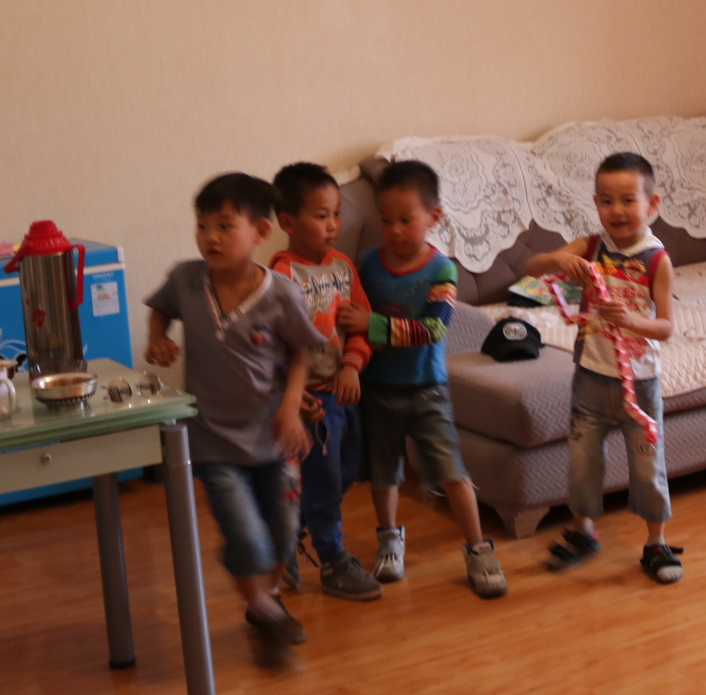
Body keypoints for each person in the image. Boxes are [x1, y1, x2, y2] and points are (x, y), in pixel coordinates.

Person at [144, 172, 326, 653]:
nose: (211, 237)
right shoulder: (186, 280)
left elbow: (302, 352)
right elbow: (161, 308)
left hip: (274, 439)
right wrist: (157, 337)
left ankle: (265, 599)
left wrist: (291, 408)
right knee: (245, 534)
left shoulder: (281, 293)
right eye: (203, 225)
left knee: (283, 535)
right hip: (212, 441)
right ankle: (264, 607)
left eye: (225, 225)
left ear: (260, 231)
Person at [335, 159, 508, 599]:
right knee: (384, 474)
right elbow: (353, 313)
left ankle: (478, 549)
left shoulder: (442, 271)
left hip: (426, 390)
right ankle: (389, 540)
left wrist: (373, 324)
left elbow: (433, 329)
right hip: (377, 388)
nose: (394, 230)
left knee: (451, 473)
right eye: (386, 220)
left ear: (434, 216)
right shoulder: (369, 263)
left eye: (406, 220)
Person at [525, 151, 683, 584]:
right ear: (596, 203)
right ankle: (583, 532)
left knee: (648, 468)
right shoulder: (591, 247)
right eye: (607, 201)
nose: (617, 210)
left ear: (651, 204)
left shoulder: (657, 261)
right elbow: (532, 270)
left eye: (628, 200)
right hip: (591, 379)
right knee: (582, 464)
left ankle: (656, 543)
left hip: (640, 386)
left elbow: (666, 327)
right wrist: (559, 260)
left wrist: (631, 321)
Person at [269, 162, 383, 602]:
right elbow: (271, 346)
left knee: (350, 466)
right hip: (310, 401)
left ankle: (287, 532)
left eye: (336, 214)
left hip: (343, 392)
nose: (333, 225)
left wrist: (352, 364)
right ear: (287, 222)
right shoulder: (282, 276)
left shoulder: (344, 267)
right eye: (321, 216)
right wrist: (292, 395)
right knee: (324, 480)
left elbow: (361, 325)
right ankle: (332, 558)